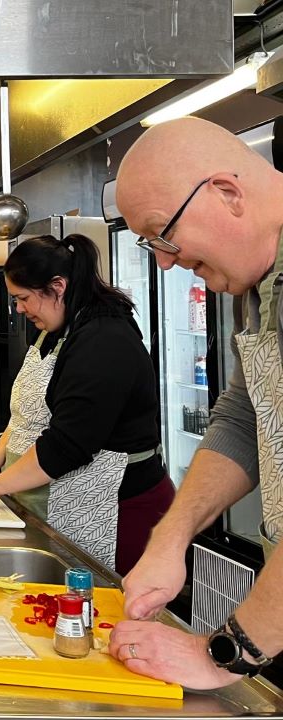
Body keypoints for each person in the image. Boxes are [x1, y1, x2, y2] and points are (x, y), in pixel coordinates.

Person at [105, 116, 283, 689]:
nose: (164, 261)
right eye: (149, 244)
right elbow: (245, 415)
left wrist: (224, 653)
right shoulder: (256, 284)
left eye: (164, 234)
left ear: (226, 193)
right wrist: (170, 539)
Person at [0, 235, 173, 574]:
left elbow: (68, 443)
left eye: (23, 298)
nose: (19, 309)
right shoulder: (57, 327)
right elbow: (32, 407)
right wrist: (0, 451)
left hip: (116, 506)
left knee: (107, 608)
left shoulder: (103, 339)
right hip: (68, 498)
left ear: (58, 286)